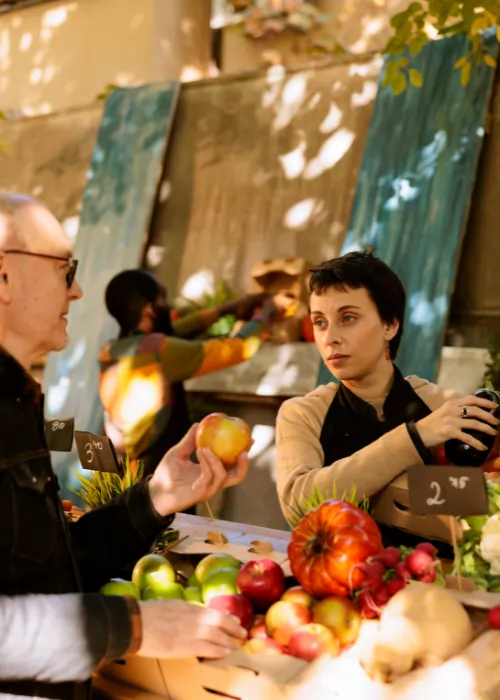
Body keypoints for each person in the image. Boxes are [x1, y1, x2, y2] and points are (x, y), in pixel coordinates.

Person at [0, 194, 249, 699]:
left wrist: (156, 497)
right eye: (63, 270)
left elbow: (54, 572)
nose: (77, 290)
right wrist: (131, 625)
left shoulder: (19, 401)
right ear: (4, 275)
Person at [276, 252, 498, 547]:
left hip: (437, 583)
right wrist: (415, 438)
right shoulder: (303, 413)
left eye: (348, 318)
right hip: (334, 582)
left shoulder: (442, 405)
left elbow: (482, 503)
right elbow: (300, 508)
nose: (330, 337)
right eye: (320, 322)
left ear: (389, 325)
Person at [100, 269, 291, 478]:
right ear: (149, 310)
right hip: (156, 470)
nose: (168, 307)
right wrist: (268, 311)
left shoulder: (112, 351)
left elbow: (177, 331)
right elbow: (239, 347)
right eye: (163, 301)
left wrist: (231, 308)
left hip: (124, 463)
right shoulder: (160, 353)